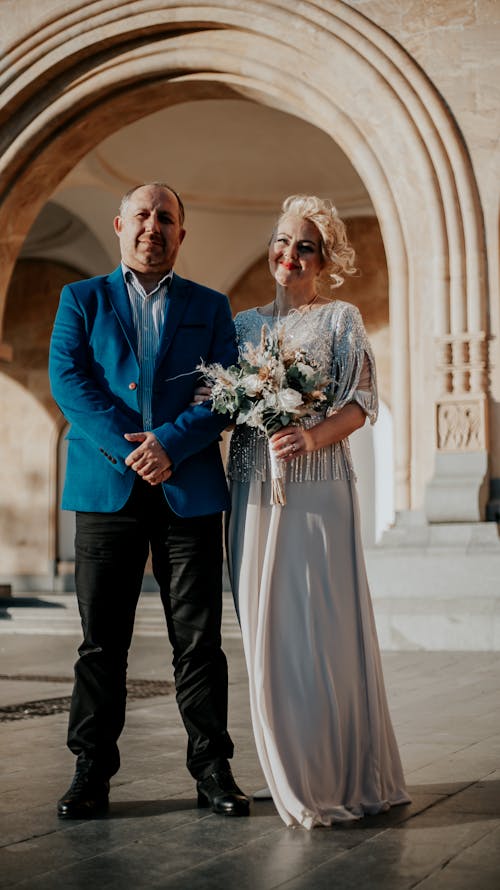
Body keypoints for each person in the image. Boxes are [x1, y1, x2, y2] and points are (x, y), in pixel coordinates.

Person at [49, 182, 249, 819]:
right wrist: (133, 448)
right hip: (106, 488)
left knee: (199, 641)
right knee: (101, 642)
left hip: (187, 490)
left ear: (181, 234)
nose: (152, 227)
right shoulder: (80, 299)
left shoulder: (211, 306)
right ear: (118, 225)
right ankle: (90, 771)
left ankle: (213, 769)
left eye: (166, 218)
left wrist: (169, 443)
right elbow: (69, 380)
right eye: (142, 215)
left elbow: (225, 392)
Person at [224, 195, 410, 828]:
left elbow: (362, 402)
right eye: (282, 241)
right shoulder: (243, 326)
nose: (290, 254)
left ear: (323, 259)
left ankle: (330, 772)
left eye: (305, 246)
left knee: (319, 630)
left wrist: (308, 436)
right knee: (266, 629)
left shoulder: (341, 320)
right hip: (252, 489)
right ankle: (284, 766)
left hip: (317, 489)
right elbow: (223, 404)